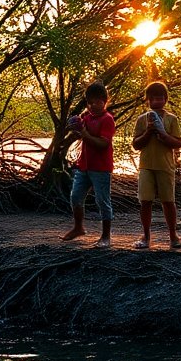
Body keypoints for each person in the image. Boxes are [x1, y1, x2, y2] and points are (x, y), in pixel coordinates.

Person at [131, 81, 181, 250]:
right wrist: (148, 131)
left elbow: (178, 143)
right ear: (148, 100)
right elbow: (136, 144)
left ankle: (173, 236)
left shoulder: (171, 119)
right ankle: (146, 236)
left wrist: (163, 135)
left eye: (160, 98)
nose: (157, 101)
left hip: (165, 166)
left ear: (165, 99)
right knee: (145, 201)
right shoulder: (142, 120)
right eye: (153, 98)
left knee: (168, 201)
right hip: (146, 165)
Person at [62, 81, 115, 248]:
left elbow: (103, 144)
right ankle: (79, 228)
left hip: (101, 168)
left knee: (102, 201)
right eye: (90, 102)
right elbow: (79, 135)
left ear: (105, 101)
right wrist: (75, 128)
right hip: (83, 166)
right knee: (75, 197)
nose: (93, 106)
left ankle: (106, 236)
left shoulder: (107, 119)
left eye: (97, 102)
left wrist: (84, 134)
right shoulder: (86, 117)